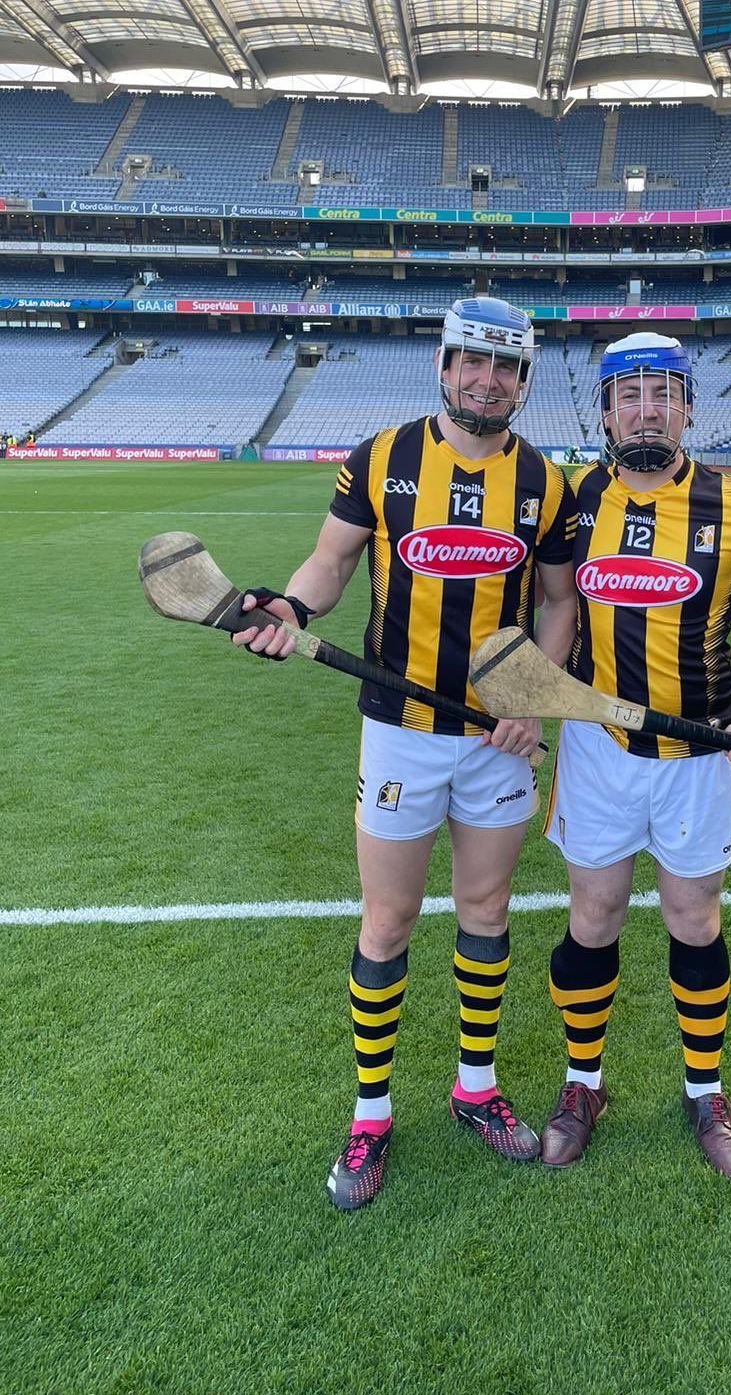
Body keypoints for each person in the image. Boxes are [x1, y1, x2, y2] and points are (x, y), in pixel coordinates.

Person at [231, 297, 578, 1210]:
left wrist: (532, 698)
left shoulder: (545, 482)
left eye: (505, 367)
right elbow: (331, 563)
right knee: (386, 925)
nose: (486, 379)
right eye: (473, 361)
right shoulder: (380, 460)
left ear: (523, 381)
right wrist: (293, 611)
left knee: (486, 911)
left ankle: (474, 1089)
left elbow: (556, 603)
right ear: (442, 363)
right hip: (398, 729)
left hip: (495, 738)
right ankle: (373, 1112)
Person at [539, 332, 731, 1180]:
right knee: (592, 919)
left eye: (662, 394)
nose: (646, 409)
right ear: (605, 412)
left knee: (694, 922)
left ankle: (706, 1089)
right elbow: (545, 612)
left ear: (689, 407)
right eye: (628, 396)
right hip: (598, 749)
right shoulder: (572, 500)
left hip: (700, 757)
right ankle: (582, 1084)